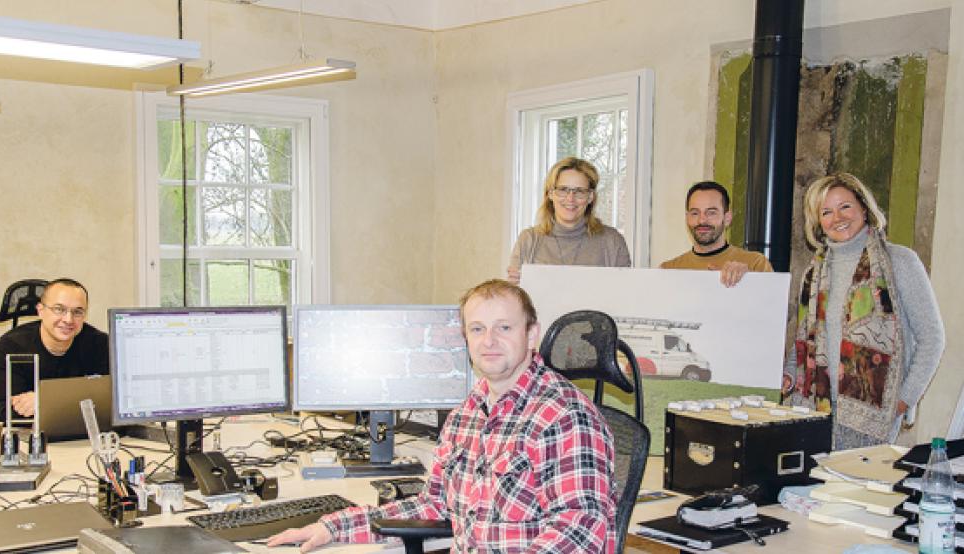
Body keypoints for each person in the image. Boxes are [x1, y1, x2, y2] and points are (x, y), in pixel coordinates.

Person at [267, 279, 617, 552]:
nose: (489, 340)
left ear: (532, 334)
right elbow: (435, 505)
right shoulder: (467, 414)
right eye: (477, 329)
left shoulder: (564, 416)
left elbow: (581, 529)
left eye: (504, 328)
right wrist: (333, 527)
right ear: (465, 337)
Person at [782, 173, 945, 450]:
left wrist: (904, 399)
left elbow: (932, 338)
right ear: (818, 221)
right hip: (813, 410)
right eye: (827, 212)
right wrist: (788, 376)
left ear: (864, 208)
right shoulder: (813, 273)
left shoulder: (900, 262)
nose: (837, 218)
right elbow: (803, 339)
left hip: (873, 419)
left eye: (845, 206)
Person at [0, 278, 109, 420]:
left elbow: (107, 401)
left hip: (79, 437)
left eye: (77, 312)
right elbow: (12, 413)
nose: (68, 320)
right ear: (40, 311)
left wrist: (43, 401)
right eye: (59, 309)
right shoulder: (10, 347)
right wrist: (78, 397)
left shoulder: (100, 344)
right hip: (25, 437)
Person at [508, 157, 631, 284]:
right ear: (550, 194)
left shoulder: (612, 241)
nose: (570, 198)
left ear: (590, 197)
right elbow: (516, 300)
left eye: (579, 191)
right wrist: (513, 288)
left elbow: (625, 295)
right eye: (563, 190)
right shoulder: (528, 240)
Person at [661, 181, 772, 286]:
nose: (702, 220)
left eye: (711, 213)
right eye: (695, 213)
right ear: (687, 218)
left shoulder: (756, 264)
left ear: (727, 218)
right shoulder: (668, 270)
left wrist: (749, 281)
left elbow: (770, 304)